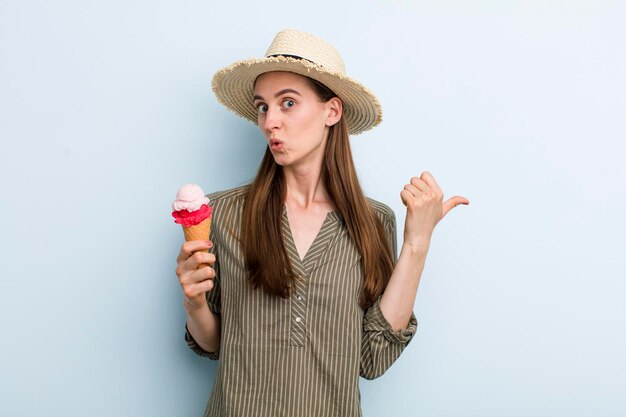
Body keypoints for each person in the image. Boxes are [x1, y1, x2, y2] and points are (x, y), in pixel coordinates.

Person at [175, 29, 469, 417]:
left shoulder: (375, 223)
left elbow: (372, 358)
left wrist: (417, 243)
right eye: (263, 107)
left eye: (288, 103)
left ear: (332, 111)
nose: (269, 122)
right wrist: (194, 303)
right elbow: (212, 345)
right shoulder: (224, 213)